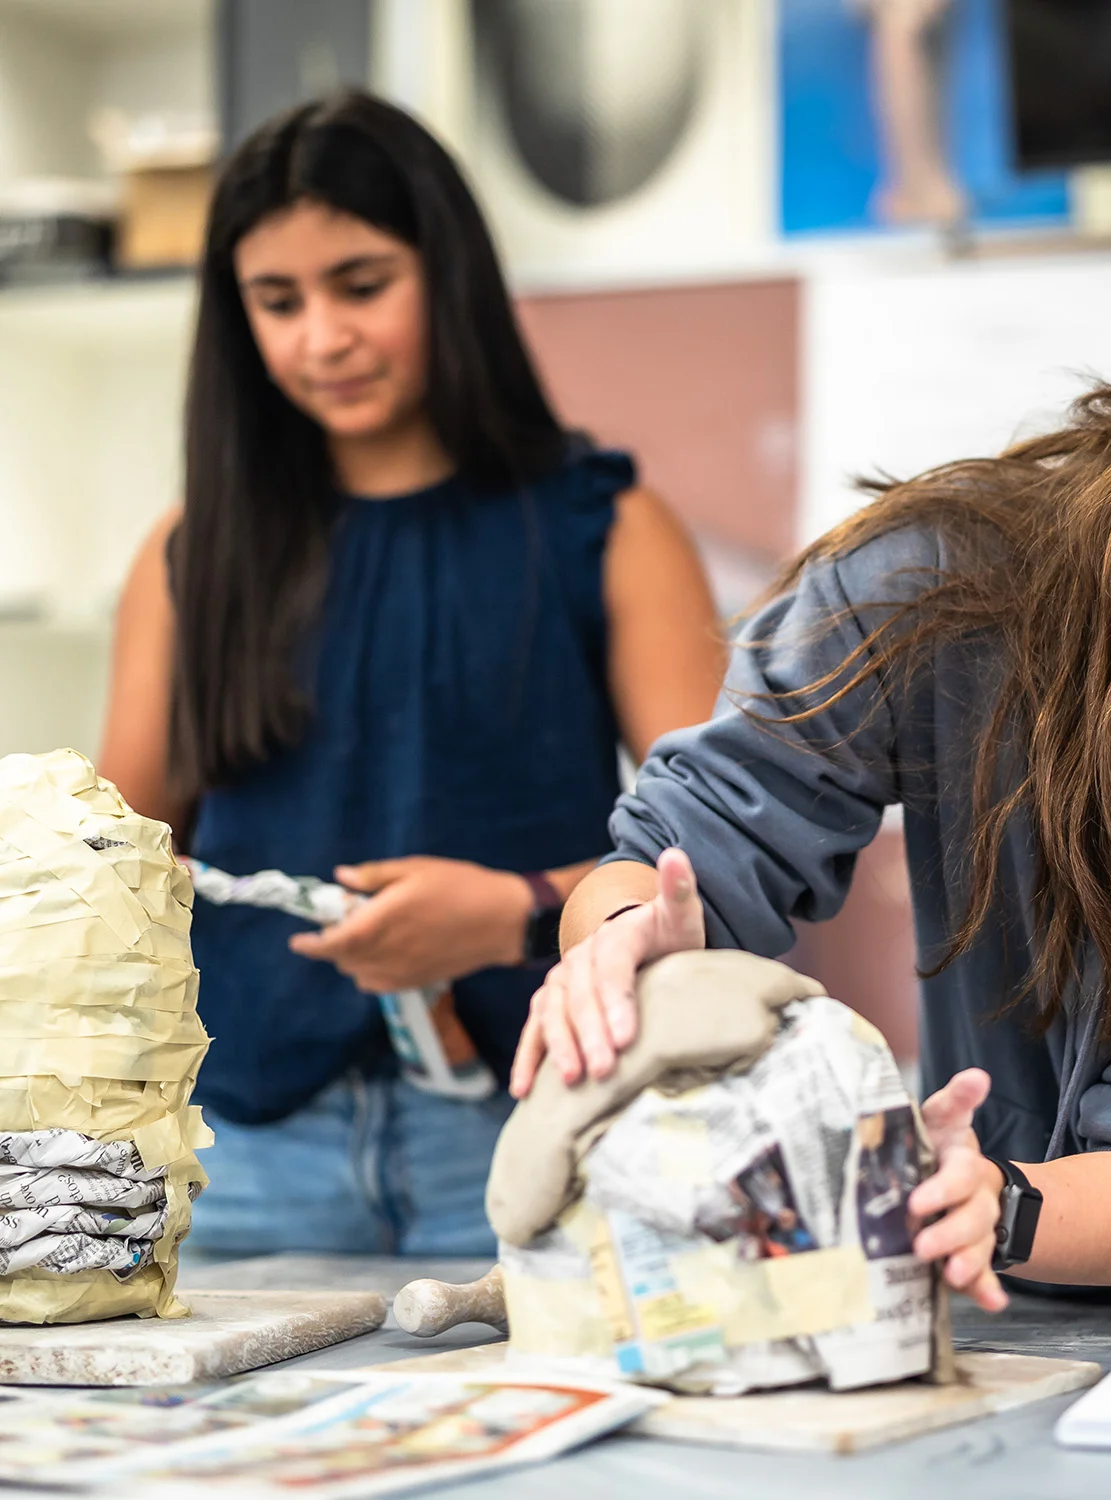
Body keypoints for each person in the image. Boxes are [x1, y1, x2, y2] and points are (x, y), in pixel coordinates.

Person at [511, 270, 1111, 1310]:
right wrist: (625, 934)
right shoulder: (939, 583)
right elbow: (703, 833)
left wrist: (997, 1208)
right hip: (1014, 1275)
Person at [98, 92, 722, 1255]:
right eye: (276, 302)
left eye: (362, 284)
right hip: (240, 1148)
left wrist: (518, 913)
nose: (320, 338)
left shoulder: (610, 527)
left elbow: (713, 865)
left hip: (536, 1123)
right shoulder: (191, 553)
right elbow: (117, 865)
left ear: (451, 276)